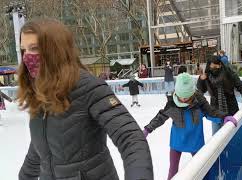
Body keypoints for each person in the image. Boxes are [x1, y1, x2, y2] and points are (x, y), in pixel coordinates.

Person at [17, 19, 153, 180]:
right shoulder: (40, 91)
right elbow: (42, 146)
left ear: (55, 49)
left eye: (34, 48)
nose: (27, 57)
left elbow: (130, 138)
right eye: (23, 50)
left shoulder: (88, 87)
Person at [143, 73, 237, 180]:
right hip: (177, 141)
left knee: (203, 169)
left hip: (195, 140)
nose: (183, 99)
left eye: (187, 97)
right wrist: (147, 129)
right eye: (181, 96)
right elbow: (161, 117)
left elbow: (210, 112)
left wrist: (224, 117)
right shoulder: (172, 103)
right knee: (173, 170)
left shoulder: (199, 100)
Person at [197, 56, 242, 134]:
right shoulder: (207, 77)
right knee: (216, 136)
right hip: (215, 111)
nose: (214, 69)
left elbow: (241, 85)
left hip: (230, 110)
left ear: (220, 65)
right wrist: (201, 80)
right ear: (209, 67)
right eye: (212, 67)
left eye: (216, 66)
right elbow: (201, 90)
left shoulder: (229, 74)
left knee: (231, 134)